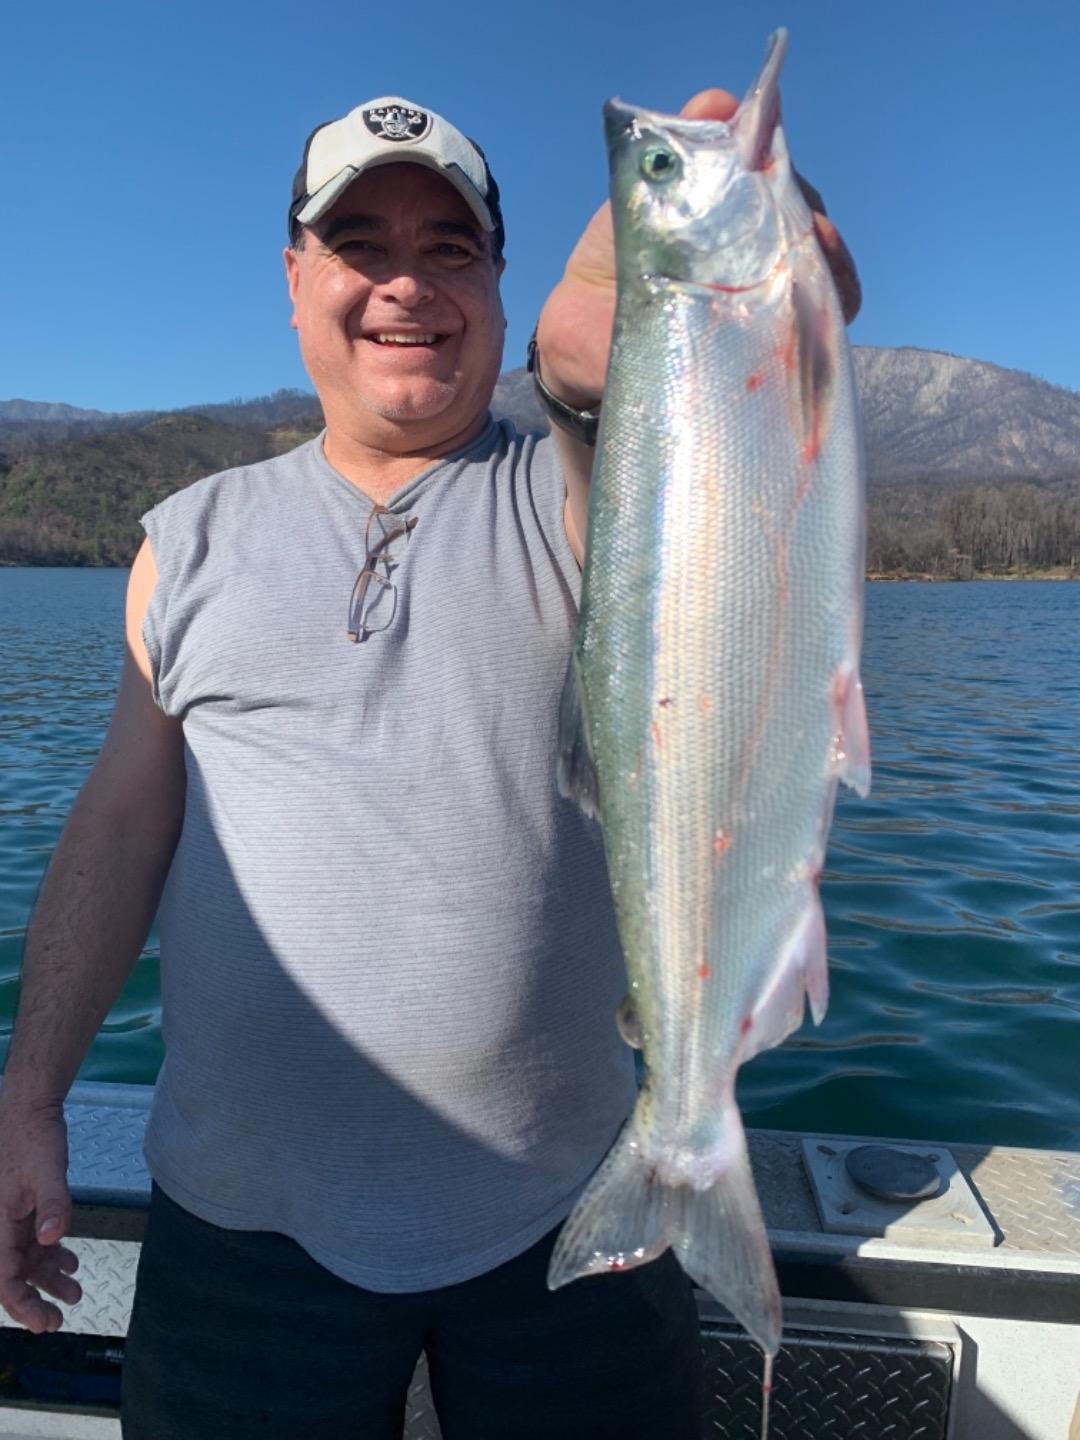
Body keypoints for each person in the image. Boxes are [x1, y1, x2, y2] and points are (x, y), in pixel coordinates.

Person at [0, 90, 858, 1439]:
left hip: (571, 1218)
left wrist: (626, 347)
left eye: (450, 247)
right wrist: (30, 1096)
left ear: (501, 286)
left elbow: (652, 465)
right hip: (240, 1243)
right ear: (296, 280)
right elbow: (118, 828)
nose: (408, 282)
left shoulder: (582, 486)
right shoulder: (187, 540)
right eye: (363, 242)